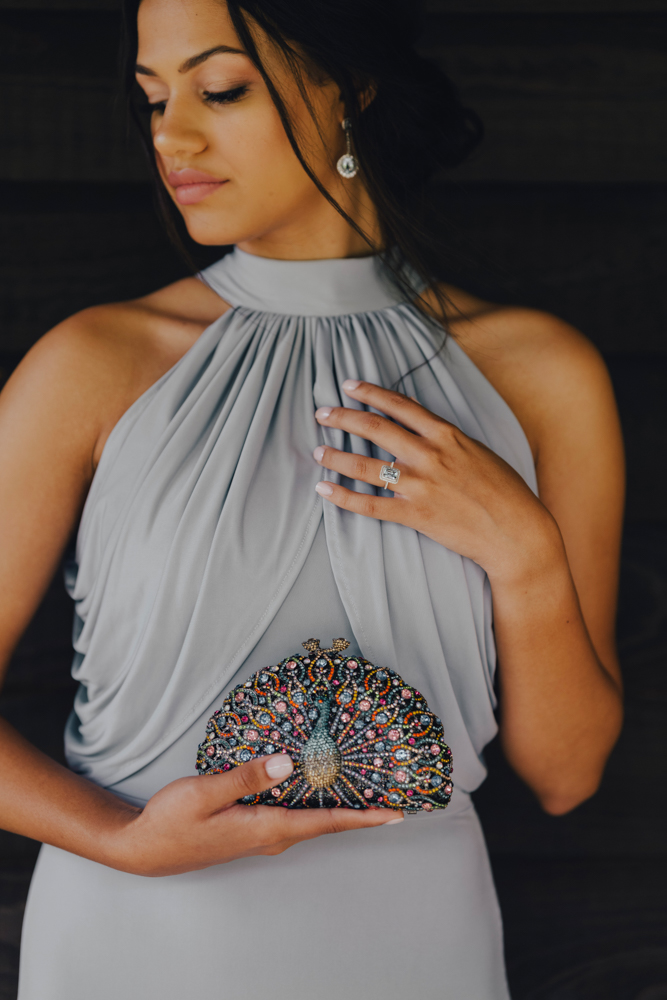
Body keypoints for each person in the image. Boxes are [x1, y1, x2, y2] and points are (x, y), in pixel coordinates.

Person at [0, 0, 624, 996]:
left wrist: (527, 558)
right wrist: (119, 841)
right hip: (133, 933)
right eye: (152, 99)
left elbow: (566, 775)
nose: (174, 135)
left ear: (350, 88)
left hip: (417, 942)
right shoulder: (93, 363)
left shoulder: (540, 374)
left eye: (220, 88)